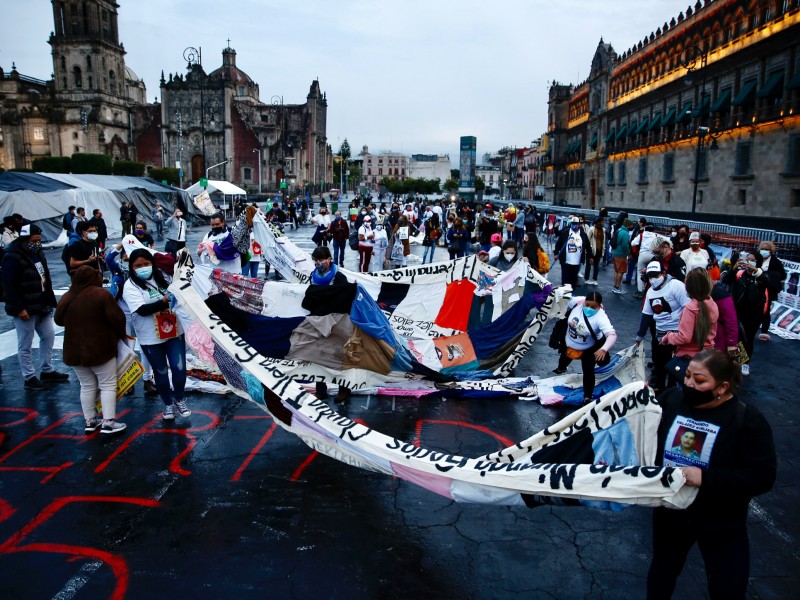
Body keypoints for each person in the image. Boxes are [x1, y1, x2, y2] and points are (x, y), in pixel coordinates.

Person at [647, 349, 776, 600]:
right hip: (671, 513)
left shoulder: (747, 420)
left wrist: (707, 478)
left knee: (727, 588)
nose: (689, 384)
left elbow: (762, 476)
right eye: (687, 376)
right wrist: (641, 399)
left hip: (721, 521)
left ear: (722, 386)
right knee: (661, 574)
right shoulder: (672, 399)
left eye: (699, 380)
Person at [54, 266, 128, 434]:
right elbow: (117, 318)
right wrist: (121, 336)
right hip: (100, 349)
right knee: (108, 384)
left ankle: (90, 421)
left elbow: (58, 320)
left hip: (74, 351)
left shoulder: (68, 296)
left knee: (86, 385)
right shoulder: (100, 294)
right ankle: (108, 421)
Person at [122, 248, 190, 420]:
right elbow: (142, 310)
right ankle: (168, 404)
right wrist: (164, 301)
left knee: (179, 368)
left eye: (146, 264)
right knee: (160, 372)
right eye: (138, 265)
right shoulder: (130, 286)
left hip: (174, 332)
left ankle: (179, 400)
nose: (143, 268)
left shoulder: (162, 276)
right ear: (131, 267)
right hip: (150, 337)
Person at [1, 224, 69, 390]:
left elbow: (45, 278)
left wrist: (50, 300)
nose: (38, 243)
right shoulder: (12, 257)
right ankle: (29, 377)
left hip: (41, 304)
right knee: (25, 343)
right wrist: (19, 308)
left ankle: (47, 369)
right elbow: (8, 285)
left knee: (48, 336)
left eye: (39, 240)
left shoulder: (37, 252)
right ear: (24, 240)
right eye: (34, 240)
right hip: (25, 308)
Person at [635, 261, 691, 394]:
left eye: (655, 275)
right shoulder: (650, 291)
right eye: (650, 276)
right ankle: (659, 391)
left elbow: (689, 307)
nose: (653, 279)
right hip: (659, 332)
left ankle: (672, 391)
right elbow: (647, 315)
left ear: (663, 273)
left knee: (674, 366)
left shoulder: (676, 286)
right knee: (659, 364)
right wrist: (640, 335)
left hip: (676, 332)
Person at [552, 292, 617, 403]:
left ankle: (587, 396)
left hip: (589, 348)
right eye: (587, 305)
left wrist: (603, 349)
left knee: (588, 371)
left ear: (600, 306)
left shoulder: (601, 317)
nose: (588, 308)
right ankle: (561, 368)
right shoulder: (578, 302)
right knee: (564, 358)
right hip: (569, 344)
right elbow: (561, 300)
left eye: (593, 307)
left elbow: (612, 335)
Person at [661, 268, 719, 383]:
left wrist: (669, 336)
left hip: (688, 359)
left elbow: (684, 337)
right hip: (707, 356)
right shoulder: (712, 303)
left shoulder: (691, 308)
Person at [310, 246, 351, 403]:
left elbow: (343, 298)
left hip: (337, 322)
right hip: (319, 321)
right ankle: (321, 390)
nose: (319, 263)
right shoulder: (313, 276)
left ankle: (344, 389)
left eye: (321, 260)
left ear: (329, 259)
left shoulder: (339, 278)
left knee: (338, 356)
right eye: (316, 260)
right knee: (318, 355)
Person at [723, 250, 769, 376]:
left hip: (754, 314)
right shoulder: (740, 274)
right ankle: (738, 361)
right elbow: (726, 280)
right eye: (748, 259)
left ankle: (745, 364)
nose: (749, 261)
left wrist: (756, 271)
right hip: (738, 311)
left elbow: (770, 284)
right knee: (737, 338)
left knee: (748, 339)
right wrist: (733, 269)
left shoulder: (761, 276)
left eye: (753, 259)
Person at [757, 241, 786, 342]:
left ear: (771, 251)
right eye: (762, 249)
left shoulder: (775, 261)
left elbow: (782, 274)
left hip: (768, 289)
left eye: (766, 249)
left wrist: (767, 275)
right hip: (755, 287)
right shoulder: (757, 258)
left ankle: (764, 331)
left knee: (765, 310)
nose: (764, 251)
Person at [554, 216, 590, 287]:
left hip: (576, 262)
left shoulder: (583, 234)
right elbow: (558, 243)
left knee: (573, 280)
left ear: (579, 224)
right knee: (565, 280)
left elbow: (588, 246)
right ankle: (564, 293)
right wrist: (556, 253)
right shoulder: (565, 232)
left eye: (576, 224)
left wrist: (590, 257)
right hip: (566, 261)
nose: (574, 225)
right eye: (573, 223)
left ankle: (571, 292)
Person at [632, 220, 658, 298]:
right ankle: (650, 290)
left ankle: (640, 291)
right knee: (652, 273)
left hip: (643, 255)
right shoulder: (656, 235)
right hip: (652, 255)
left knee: (640, 272)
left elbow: (633, 243)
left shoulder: (641, 235)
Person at [611, 218, 631, 294]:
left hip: (615, 252)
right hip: (621, 254)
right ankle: (617, 287)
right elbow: (625, 245)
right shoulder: (626, 234)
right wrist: (628, 253)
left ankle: (615, 286)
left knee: (616, 271)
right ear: (629, 225)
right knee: (621, 271)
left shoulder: (619, 230)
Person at [584, 217, 604, 286]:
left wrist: (603, 251)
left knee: (596, 266)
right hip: (591, 250)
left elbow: (603, 241)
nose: (602, 223)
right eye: (601, 222)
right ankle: (587, 278)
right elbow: (587, 239)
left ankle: (595, 279)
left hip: (599, 250)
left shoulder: (603, 230)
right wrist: (587, 249)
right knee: (588, 265)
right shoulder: (592, 229)